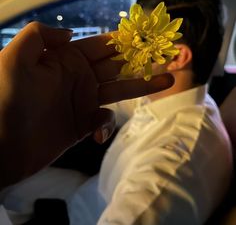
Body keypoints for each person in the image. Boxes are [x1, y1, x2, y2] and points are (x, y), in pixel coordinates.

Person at [67, 0, 233, 225]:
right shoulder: (168, 97)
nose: (122, 46)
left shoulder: (168, 169)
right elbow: (114, 102)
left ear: (176, 57)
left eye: (138, 39)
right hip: (90, 195)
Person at [0, 21, 174, 224]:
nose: (137, 46)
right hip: (91, 192)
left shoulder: (169, 162)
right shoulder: (153, 104)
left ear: (179, 56)